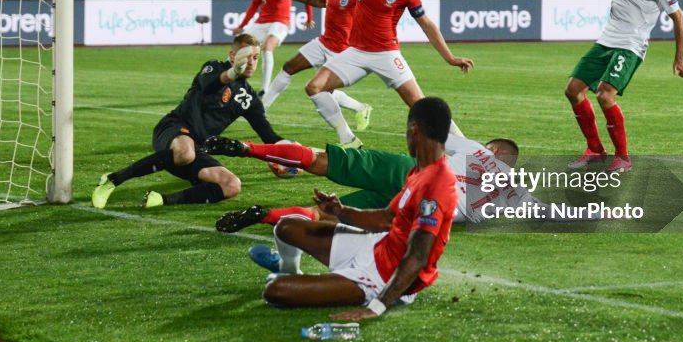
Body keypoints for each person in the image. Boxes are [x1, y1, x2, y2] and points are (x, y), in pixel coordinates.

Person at [253, 97, 459, 319]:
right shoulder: (420, 170)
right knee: (286, 227)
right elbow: (385, 218)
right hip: (376, 246)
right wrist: (340, 211)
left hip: (383, 276)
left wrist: (378, 306)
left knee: (276, 290)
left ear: (414, 128)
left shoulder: (437, 184)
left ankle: (337, 284)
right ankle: (293, 271)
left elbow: (418, 256)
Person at [304, 0, 474, 147]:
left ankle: (468, 150)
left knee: (421, 106)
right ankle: (348, 139)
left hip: (386, 54)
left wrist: (450, 58)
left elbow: (427, 25)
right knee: (314, 87)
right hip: (355, 52)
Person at [550, 0, 683, 173]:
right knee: (572, 90)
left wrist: (679, 58)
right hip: (606, 41)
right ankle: (595, 150)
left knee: (605, 96)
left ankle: (623, 157)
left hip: (631, 46)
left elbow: (678, 18)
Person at [91, 34, 289, 209]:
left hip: (197, 149)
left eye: (256, 58)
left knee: (231, 185)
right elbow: (210, 84)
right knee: (185, 152)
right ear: (232, 56)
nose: (252, 63)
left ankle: (160, 200)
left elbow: (268, 136)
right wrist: (232, 73)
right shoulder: (213, 67)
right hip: (173, 130)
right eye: (247, 57)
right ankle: (112, 180)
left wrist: (292, 151)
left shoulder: (249, 99)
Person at [207, 132, 527, 237]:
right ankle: (265, 215)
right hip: (418, 207)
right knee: (329, 216)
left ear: (495, 150)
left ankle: (249, 149)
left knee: (320, 160)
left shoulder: (477, 149)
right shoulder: (510, 191)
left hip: (406, 171)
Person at [260, 0, 372, 132]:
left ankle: (360, 110)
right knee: (288, 67)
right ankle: (262, 109)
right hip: (323, 42)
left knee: (324, 91)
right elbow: (322, 2)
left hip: (341, 50)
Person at [233, 0, 314, 91]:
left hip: (281, 21)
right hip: (262, 22)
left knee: (268, 46)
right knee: (240, 45)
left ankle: (264, 90)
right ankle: (231, 82)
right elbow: (254, 5)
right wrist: (242, 25)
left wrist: (309, 18)